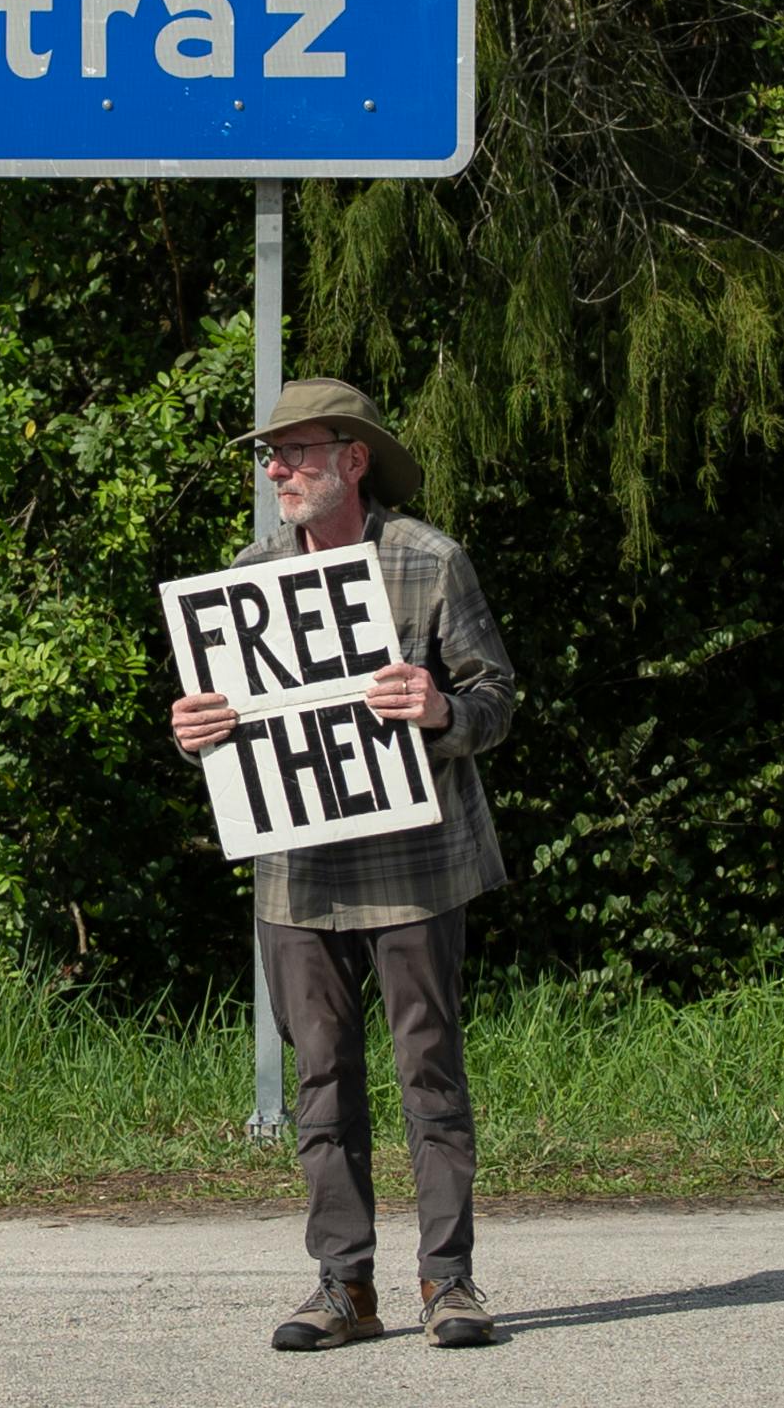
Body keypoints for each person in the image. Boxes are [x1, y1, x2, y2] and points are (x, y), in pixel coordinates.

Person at [171, 378, 516, 1352]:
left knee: (429, 1075)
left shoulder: (427, 563)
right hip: (298, 876)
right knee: (319, 1082)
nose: (276, 469)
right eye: (267, 455)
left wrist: (442, 710)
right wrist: (196, 731)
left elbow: (496, 700)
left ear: (353, 460)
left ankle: (449, 1283)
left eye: (297, 451)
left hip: (416, 870)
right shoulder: (247, 577)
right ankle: (343, 1289)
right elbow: (229, 725)